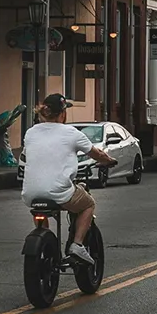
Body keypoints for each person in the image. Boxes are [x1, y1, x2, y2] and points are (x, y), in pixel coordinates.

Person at [21, 93, 119, 267]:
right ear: (63, 113)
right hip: (60, 192)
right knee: (88, 204)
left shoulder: (30, 132)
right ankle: (77, 245)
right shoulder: (71, 133)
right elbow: (96, 153)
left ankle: (46, 242)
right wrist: (109, 161)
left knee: (44, 207)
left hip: (31, 193)